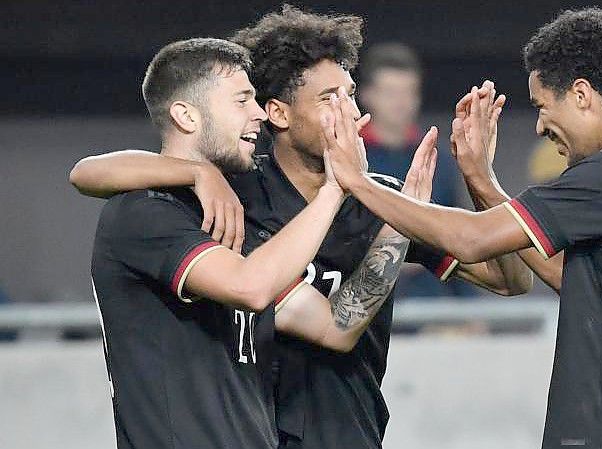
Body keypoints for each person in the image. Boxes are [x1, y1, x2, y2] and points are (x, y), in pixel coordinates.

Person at [70, 5, 533, 449]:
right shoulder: (237, 196)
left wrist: (479, 181)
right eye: (330, 99)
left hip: (350, 430)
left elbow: (510, 279)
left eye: (351, 94)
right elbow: (89, 172)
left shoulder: (380, 199)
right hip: (266, 429)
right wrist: (198, 172)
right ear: (279, 114)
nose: (350, 112)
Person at [324, 8, 602, 449]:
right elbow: (571, 277)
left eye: (543, 106)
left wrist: (356, 181)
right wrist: (484, 183)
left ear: (581, 95)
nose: (540, 125)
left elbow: (471, 240)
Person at [358, 42, 469, 298]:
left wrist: (468, 309)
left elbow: (455, 236)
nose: (401, 102)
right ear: (367, 95)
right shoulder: (349, 159)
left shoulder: (436, 159)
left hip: (432, 301)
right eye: (390, 93)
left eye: (408, 92)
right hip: (361, 298)